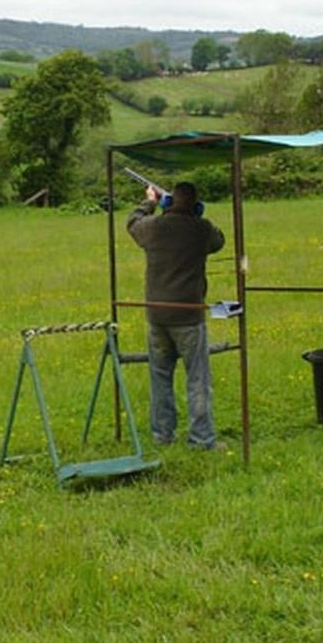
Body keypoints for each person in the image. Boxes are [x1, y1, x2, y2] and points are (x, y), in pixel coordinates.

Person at [127, 181, 226, 449]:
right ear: (195, 205)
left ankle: (162, 435)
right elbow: (220, 240)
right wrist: (195, 215)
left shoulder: (154, 227)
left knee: (159, 377)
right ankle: (201, 438)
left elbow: (133, 223)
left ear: (169, 203)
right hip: (188, 315)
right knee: (197, 379)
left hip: (157, 315)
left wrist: (150, 201)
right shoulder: (200, 229)